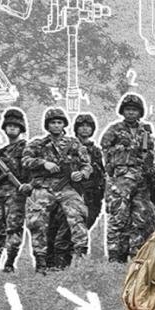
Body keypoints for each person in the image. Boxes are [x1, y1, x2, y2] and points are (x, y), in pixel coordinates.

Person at [22, 108, 92, 274]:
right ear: (47, 125)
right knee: (37, 220)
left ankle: (80, 258)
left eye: (59, 122)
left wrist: (81, 174)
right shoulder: (37, 144)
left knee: (78, 215)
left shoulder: (73, 144)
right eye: (53, 122)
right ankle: (40, 261)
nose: (56, 125)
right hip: (44, 186)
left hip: (67, 187)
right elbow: (25, 160)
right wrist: (43, 163)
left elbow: (87, 165)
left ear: (64, 125)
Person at [100, 93, 155, 263]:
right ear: (122, 111)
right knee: (118, 217)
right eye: (128, 110)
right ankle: (115, 255)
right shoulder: (114, 129)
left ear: (140, 112)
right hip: (121, 179)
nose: (131, 113)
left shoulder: (145, 131)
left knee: (140, 217)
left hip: (142, 179)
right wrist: (120, 156)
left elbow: (149, 153)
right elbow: (105, 150)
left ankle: (136, 254)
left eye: (134, 110)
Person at [46, 114, 106, 270]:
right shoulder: (70, 147)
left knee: (82, 228)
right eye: (81, 126)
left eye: (88, 126)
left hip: (91, 195)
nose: (85, 129)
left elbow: (100, 173)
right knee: (63, 229)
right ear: (76, 128)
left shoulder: (95, 151)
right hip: (71, 192)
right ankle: (59, 263)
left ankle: (77, 263)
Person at [0, 109, 32, 273]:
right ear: (5, 128)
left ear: (21, 129)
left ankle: (10, 263)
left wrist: (26, 185)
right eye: (9, 126)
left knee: (14, 228)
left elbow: (31, 172)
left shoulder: (26, 149)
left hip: (16, 195)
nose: (12, 129)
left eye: (15, 126)